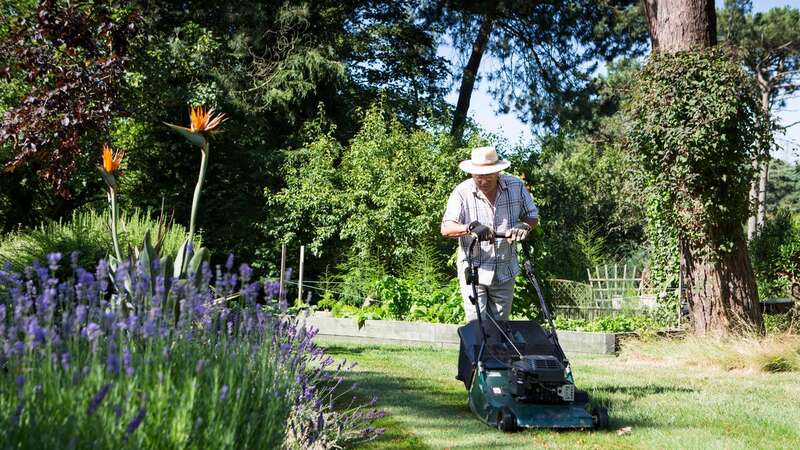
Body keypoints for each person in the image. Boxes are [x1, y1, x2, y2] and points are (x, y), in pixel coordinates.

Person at [441, 146, 539, 322]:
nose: (483, 180)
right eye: (478, 175)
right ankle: (477, 349)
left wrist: (524, 226)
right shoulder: (462, 192)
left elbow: (532, 216)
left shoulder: (516, 186)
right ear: (471, 173)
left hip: (505, 268)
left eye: (488, 175)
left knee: (501, 326)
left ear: (498, 172)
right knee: (477, 325)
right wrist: (470, 227)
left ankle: (499, 350)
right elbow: (446, 228)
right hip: (473, 270)